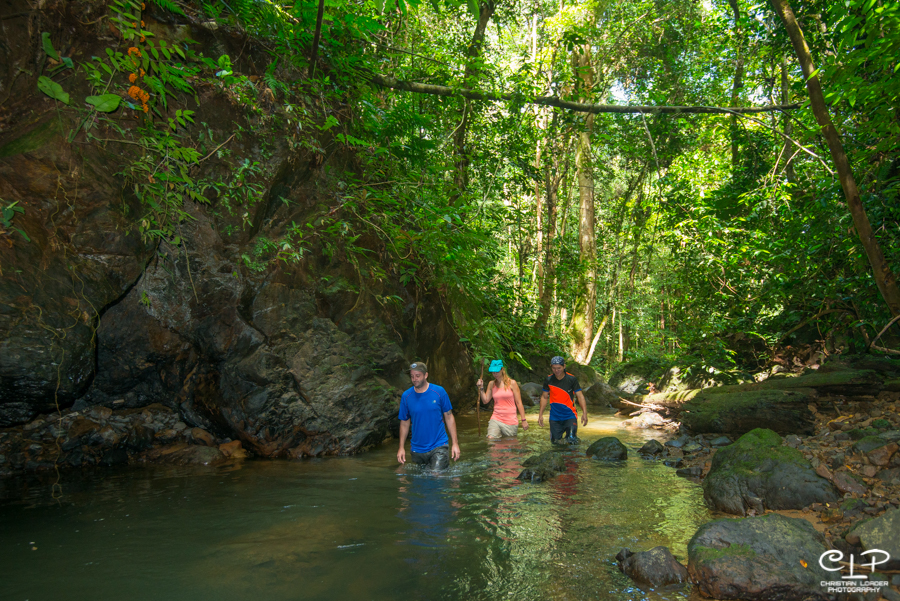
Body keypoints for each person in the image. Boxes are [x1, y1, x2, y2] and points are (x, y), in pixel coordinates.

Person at [397, 361, 461, 469]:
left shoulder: (439, 392)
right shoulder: (406, 396)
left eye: (418, 376)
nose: (414, 379)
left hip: (439, 445)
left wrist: (455, 443)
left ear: (426, 375)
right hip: (417, 449)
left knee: (436, 476)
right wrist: (401, 447)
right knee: (421, 482)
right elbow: (404, 422)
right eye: (412, 376)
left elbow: (449, 417)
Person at [537, 356, 588, 443]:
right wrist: (540, 415)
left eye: (559, 368)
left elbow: (580, 396)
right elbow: (544, 397)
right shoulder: (549, 380)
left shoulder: (572, 379)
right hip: (555, 417)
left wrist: (584, 413)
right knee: (555, 443)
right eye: (554, 368)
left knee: (571, 440)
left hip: (570, 415)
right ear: (551, 367)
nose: (556, 371)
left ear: (564, 366)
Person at [476, 359, 529, 438]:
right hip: (496, 418)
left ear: (502, 369)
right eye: (493, 372)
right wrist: (481, 388)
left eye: (497, 371)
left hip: (510, 421)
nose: (495, 374)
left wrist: (523, 420)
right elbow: (485, 400)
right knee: (491, 439)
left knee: (508, 445)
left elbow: (519, 402)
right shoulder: (491, 384)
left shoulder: (512, 383)